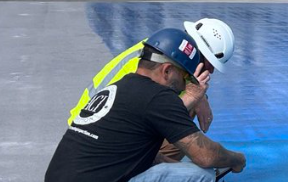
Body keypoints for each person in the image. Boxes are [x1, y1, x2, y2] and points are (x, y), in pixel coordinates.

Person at [46, 27, 246, 181]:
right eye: (186, 75)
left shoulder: (124, 83)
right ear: (167, 71)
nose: (187, 82)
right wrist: (235, 159)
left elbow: (140, 153)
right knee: (203, 175)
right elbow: (206, 156)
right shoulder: (158, 97)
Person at [68, 18, 235, 140]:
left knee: (189, 103)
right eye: (208, 63)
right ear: (196, 51)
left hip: (95, 124)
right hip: (92, 130)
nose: (211, 71)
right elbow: (162, 114)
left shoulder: (163, 51)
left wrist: (201, 98)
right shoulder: (154, 68)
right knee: (183, 111)